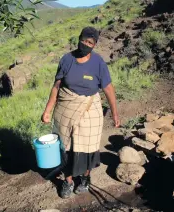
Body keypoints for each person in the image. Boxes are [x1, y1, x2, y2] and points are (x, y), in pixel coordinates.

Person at [41, 26, 120, 199]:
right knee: (66, 148)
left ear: (94, 44)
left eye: (90, 42)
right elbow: (56, 86)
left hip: (90, 108)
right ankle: (68, 181)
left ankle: (85, 178)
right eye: (83, 40)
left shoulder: (98, 63)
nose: (85, 44)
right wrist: (47, 110)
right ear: (79, 39)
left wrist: (114, 113)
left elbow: (108, 88)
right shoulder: (67, 59)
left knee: (87, 149)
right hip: (66, 108)